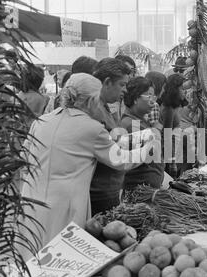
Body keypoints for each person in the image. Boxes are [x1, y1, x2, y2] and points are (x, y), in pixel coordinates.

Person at [20, 74, 150, 253]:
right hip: (66, 205)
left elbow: (24, 157)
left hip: (31, 201)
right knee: (62, 258)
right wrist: (148, 146)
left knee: (32, 258)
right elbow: (123, 161)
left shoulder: (42, 121)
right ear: (91, 101)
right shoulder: (92, 128)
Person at [86, 58, 131, 215]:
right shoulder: (94, 111)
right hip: (98, 194)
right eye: (122, 84)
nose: (125, 90)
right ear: (107, 82)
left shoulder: (105, 107)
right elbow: (117, 158)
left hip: (109, 189)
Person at [121, 77, 165, 190]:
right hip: (140, 191)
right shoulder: (131, 125)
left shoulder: (140, 121)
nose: (153, 101)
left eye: (153, 97)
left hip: (147, 189)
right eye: (149, 96)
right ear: (135, 98)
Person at [160, 73, 186, 179]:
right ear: (175, 89)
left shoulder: (175, 106)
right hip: (169, 154)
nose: (185, 92)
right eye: (183, 89)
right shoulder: (169, 108)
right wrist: (172, 162)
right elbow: (167, 136)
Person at [19, 64, 50, 129]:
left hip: (20, 131)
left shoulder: (20, 95)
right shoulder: (44, 99)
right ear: (40, 81)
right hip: (37, 130)